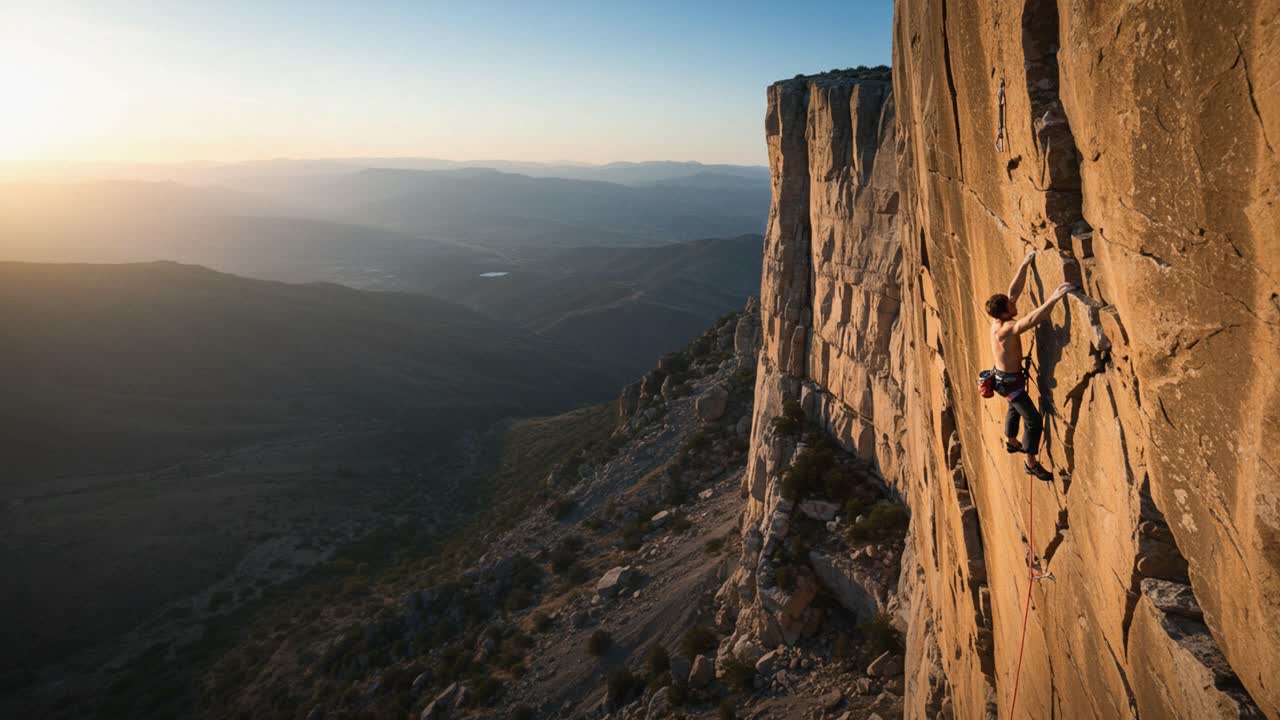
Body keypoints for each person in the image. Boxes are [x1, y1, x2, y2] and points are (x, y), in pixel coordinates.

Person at [985, 250, 1074, 481]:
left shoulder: (996, 319)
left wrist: (1024, 265)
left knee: (1014, 407)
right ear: (1005, 313)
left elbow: (1012, 292)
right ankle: (1030, 462)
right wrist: (1054, 299)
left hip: (1004, 379)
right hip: (1010, 384)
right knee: (1034, 422)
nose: (1014, 305)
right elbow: (1032, 319)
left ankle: (1012, 441)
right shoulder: (1006, 329)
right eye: (1010, 306)